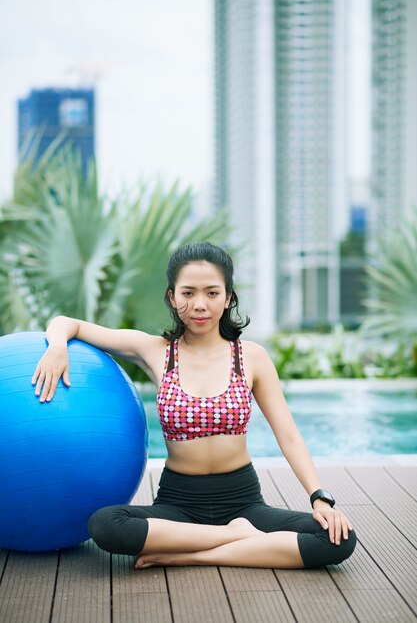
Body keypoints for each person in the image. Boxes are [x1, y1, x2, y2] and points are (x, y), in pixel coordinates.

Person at [32, 241, 356, 570]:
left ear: (228, 297)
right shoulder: (156, 350)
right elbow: (66, 322)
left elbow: (288, 434)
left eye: (212, 293)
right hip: (178, 503)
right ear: (172, 297)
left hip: (243, 502)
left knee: (337, 537)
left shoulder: (252, 357)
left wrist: (320, 497)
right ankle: (240, 539)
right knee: (105, 525)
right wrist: (57, 345)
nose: (199, 304)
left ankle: (193, 553)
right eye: (188, 293)